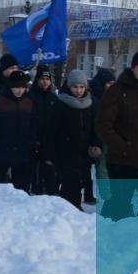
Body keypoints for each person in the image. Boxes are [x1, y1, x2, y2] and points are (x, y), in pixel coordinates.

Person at [96, 51, 138, 219]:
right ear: (133, 68)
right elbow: (103, 126)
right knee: (120, 207)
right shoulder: (117, 91)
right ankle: (115, 239)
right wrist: (124, 148)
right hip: (122, 162)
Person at [50, 70, 101, 209]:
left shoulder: (90, 104)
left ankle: (73, 207)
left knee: (80, 181)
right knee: (69, 182)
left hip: (83, 151)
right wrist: (51, 153)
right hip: (65, 151)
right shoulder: (60, 104)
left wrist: (96, 143)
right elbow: (52, 130)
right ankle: (70, 208)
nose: (78, 90)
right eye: (75, 87)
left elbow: (94, 127)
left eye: (81, 87)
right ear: (69, 86)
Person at [0, 70, 37, 190]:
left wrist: (30, 144)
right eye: (16, 87)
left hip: (22, 152)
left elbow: (34, 126)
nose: (19, 90)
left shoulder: (29, 102)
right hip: (1, 151)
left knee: (22, 189)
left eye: (22, 87)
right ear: (10, 86)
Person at [86, 67, 116, 204]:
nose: (111, 86)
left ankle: (109, 196)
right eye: (108, 83)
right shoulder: (94, 99)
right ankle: (106, 197)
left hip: (111, 137)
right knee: (101, 168)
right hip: (97, 138)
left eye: (112, 83)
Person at [29, 65, 58, 195]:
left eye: (47, 78)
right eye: (42, 78)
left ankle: (49, 190)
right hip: (33, 138)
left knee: (49, 167)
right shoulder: (30, 96)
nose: (45, 81)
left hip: (50, 139)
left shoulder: (53, 98)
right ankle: (35, 187)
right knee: (34, 167)